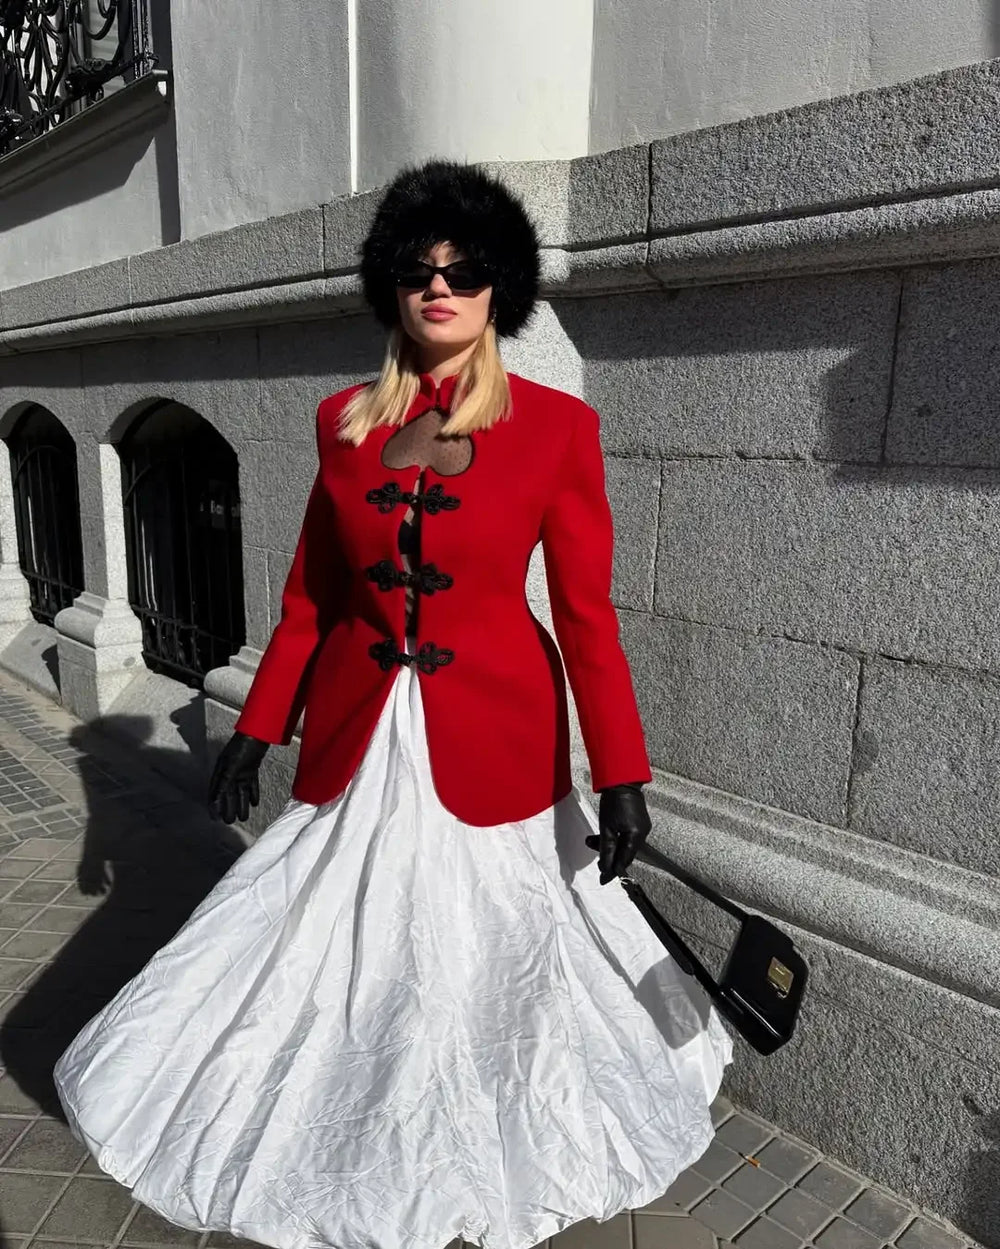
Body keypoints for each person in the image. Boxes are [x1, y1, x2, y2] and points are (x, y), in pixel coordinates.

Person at [53, 161, 733, 1249]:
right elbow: (312, 599)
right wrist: (259, 726)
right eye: (419, 268)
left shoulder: (557, 428)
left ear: (497, 289)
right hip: (364, 733)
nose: (440, 286)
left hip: (496, 734)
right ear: (393, 286)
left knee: (494, 946)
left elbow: (588, 616)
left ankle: (493, 1132)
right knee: (324, 933)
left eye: (464, 270)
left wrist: (621, 771)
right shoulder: (341, 422)